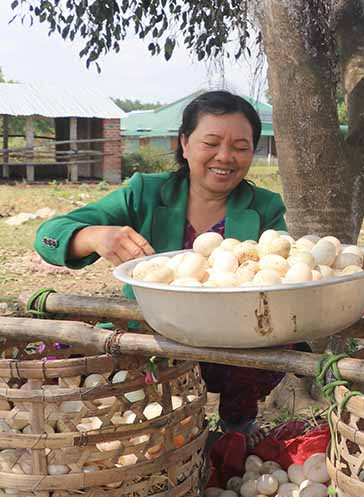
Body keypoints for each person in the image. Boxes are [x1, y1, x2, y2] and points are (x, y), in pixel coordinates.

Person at [35, 90, 288, 446]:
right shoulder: (145, 193)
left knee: (281, 343)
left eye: (240, 147)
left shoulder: (264, 207)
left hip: (232, 339)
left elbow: (283, 271)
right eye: (211, 143)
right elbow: (48, 236)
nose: (225, 157)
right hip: (152, 334)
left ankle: (237, 422)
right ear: (184, 143)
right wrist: (93, 235)